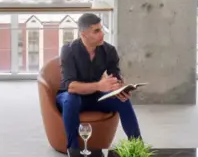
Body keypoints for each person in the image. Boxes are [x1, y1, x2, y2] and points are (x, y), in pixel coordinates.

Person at [56, 13, 142, 149]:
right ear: (83, 34)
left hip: (95, 97)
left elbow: (116, 76)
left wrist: (120, 88)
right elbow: (71, 87)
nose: (102, 34)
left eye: (101, 29)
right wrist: (99, 85)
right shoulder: (68, 50)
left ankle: (138, 147)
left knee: (123, 101)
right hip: (70, 96)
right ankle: (73, 152)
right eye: (96, 31)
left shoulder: (109, 50)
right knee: (71, 100)